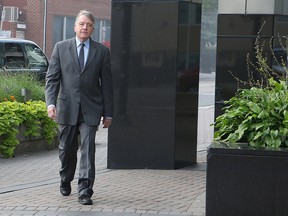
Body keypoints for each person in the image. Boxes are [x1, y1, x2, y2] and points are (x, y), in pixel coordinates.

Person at [45, 10, 113, 205]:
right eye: (82, 24)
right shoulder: (60, 48)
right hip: (67, 108)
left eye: (89, 25)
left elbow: (107, 84)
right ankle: (66, 178)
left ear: (93, 28)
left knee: (88, 149)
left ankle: (85, 190)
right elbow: (52, 79)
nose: (85, 27)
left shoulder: (101, 51)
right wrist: (50, 103)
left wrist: (108, 113)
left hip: (91, 109)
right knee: (66, 149)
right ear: (75, 27)